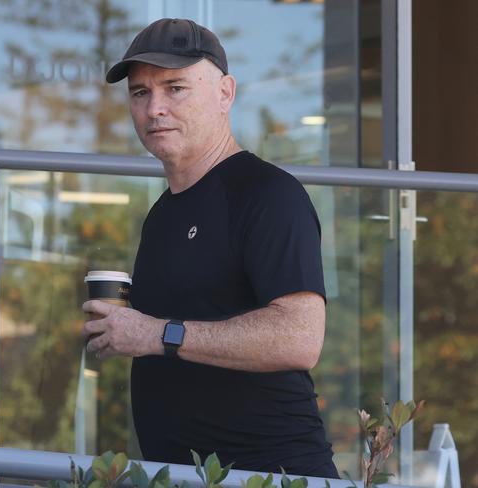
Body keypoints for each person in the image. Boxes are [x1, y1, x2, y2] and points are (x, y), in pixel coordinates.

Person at [82, 18, 338, 478]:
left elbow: (299, 338)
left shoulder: (268, 195)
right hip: (186, 474)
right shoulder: (163, 213)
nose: (155, 107)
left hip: (270, 476)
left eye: (175, 87)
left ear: (225, 93)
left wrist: (157, 334)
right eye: (140, 93)